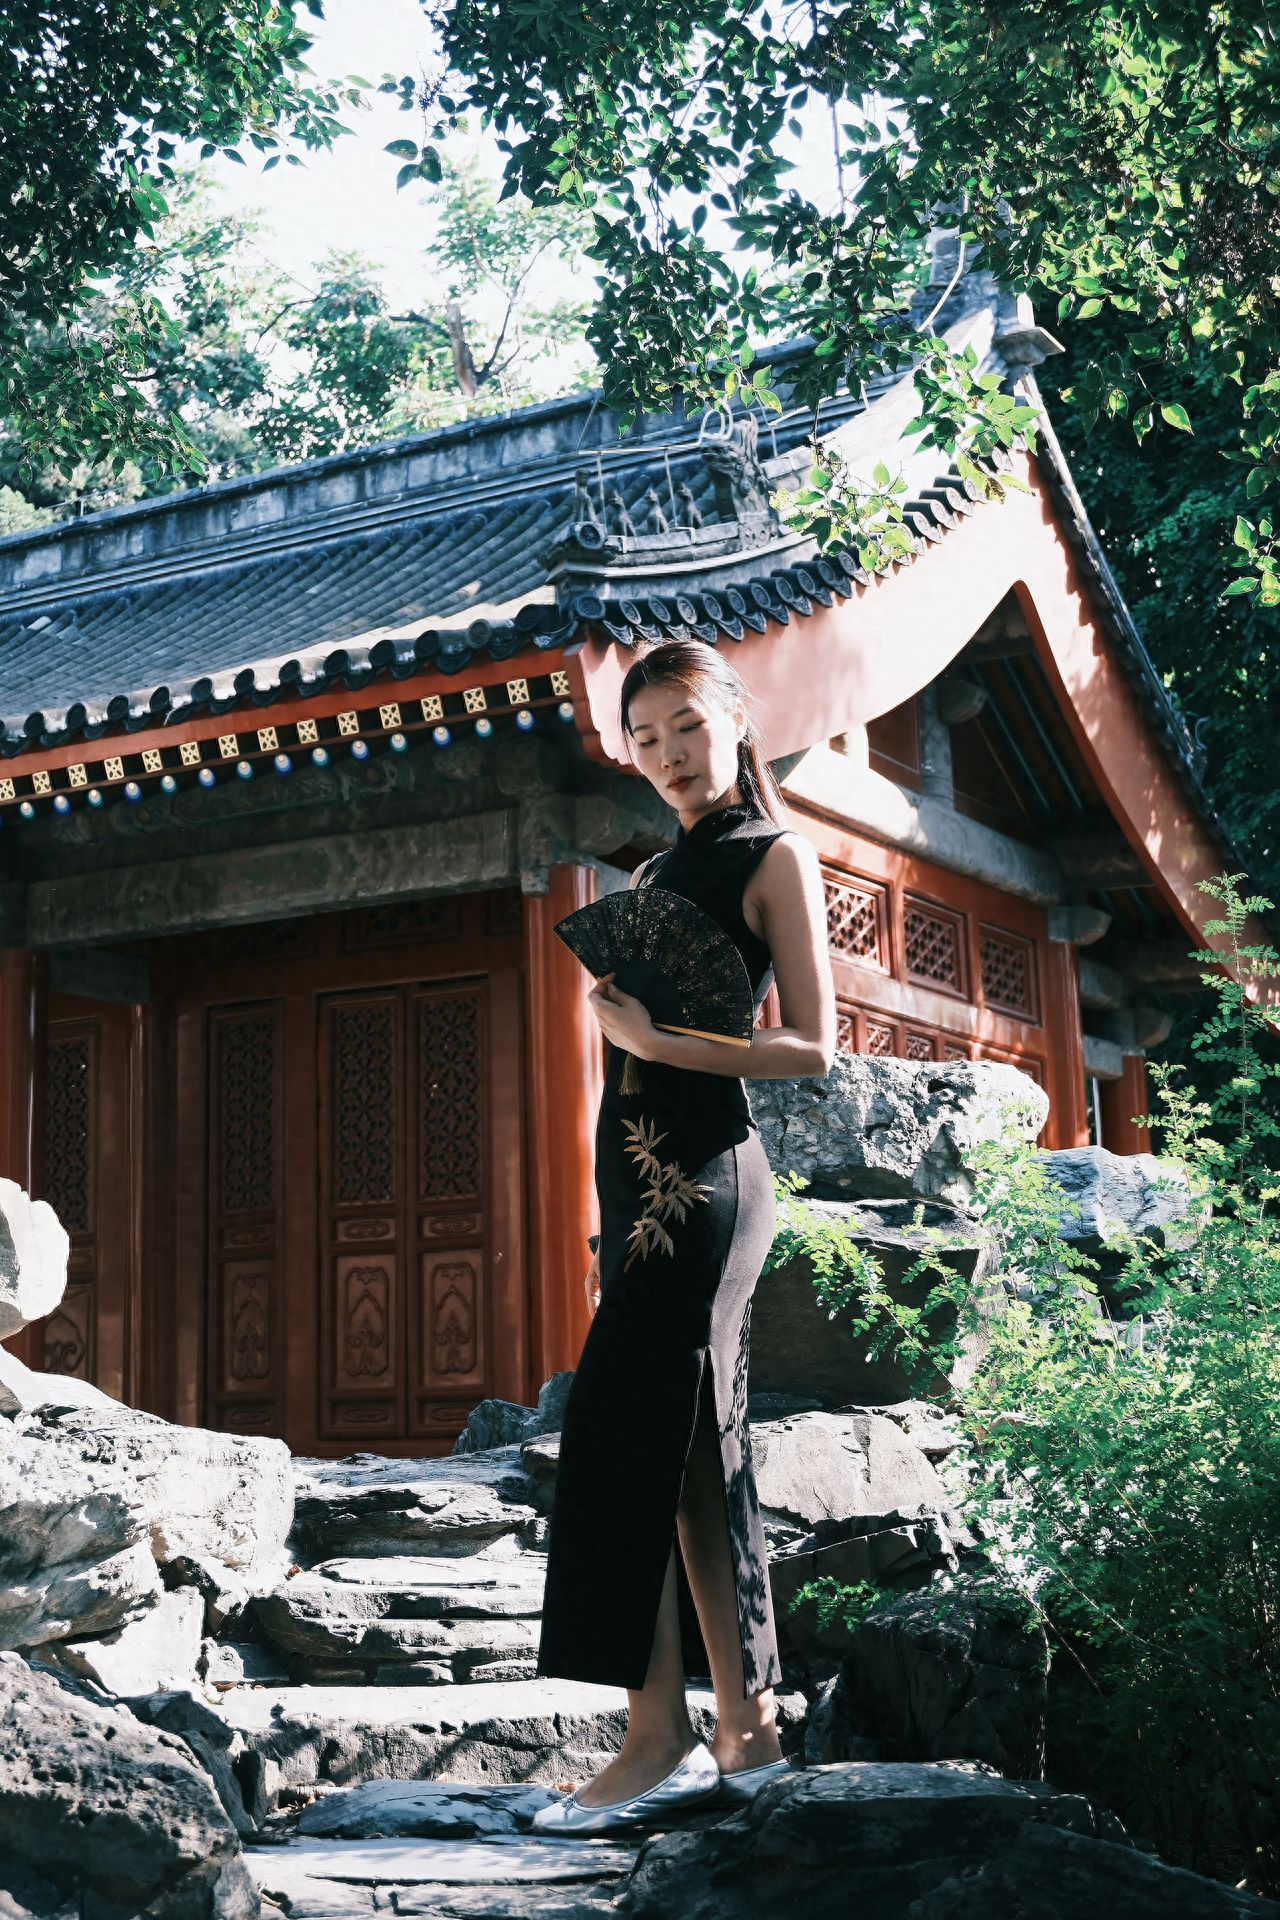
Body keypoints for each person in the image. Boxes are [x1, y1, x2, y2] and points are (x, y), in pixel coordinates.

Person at [532, 637, 836, 1834]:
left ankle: (650, 1734)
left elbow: (812, 1045)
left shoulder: (776, 856)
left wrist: (658, 1045)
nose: (663, 756)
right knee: (691, 1452)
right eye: (641, 738)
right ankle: (742, 1724)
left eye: (683, 730)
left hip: (710, 1179)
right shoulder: (655, 874)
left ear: (732, 722)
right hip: (639, 1194)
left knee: (622, 1436)